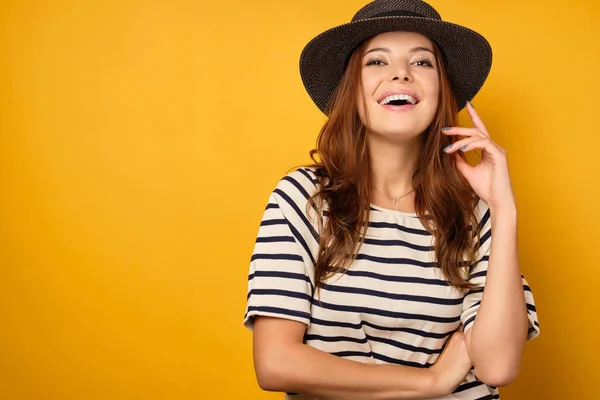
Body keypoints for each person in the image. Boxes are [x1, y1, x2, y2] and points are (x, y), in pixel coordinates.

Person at [243, 1, 540, 399]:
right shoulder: (303, 198)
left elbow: (498, 365)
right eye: (376, 62)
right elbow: (275, 363)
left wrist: (503, 209)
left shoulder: (476, 213)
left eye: (422, 63)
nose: (400, 73)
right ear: (352, 90)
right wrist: (431, 382)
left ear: (441, 91)